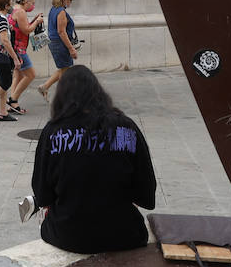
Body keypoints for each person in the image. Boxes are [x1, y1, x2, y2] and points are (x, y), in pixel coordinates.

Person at [30, 66, 157, 253]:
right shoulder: (126, 127)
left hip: (68, 235)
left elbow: (42, 195)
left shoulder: (52, 131)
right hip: (124, 233)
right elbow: (146, 194)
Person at [6, 0, 44, 115]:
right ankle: (13, 99)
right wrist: (37, 22)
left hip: (15, 47)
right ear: (26, 1)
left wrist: (33, 20)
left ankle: (12, 104)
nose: (32, 5)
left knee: (18, 75)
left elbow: (22, 27)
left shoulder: (14, 9)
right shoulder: (21, 12)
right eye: (32, 3)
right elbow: (27, 30)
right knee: (31, 75)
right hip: (19, 49)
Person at [38, 0, 79, 100]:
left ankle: (45, 87)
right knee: (65, 72)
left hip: (54, 42)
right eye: (70, 0)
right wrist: (71, 49)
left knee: (63, 68)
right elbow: (61, 32)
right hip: (60, 43)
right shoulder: (61, 11)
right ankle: (63, 99)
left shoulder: (53, 9)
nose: (70, 3)